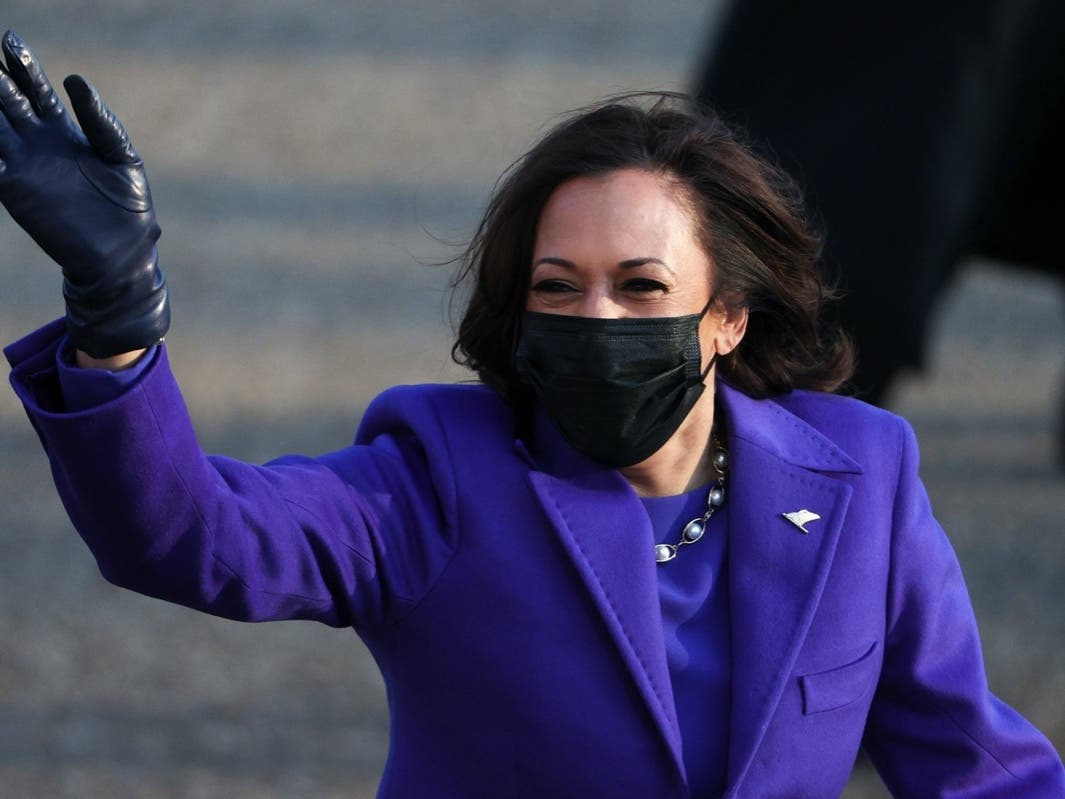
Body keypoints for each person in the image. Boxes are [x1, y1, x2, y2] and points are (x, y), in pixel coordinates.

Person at [1, 29, 1062, 798]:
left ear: (729, 315)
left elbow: (973, 768)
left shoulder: (862, 475)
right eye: (559, 286)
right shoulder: (436, 475)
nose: (596, 316)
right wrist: (117, 316)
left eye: (642, 287)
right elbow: (191, 534)